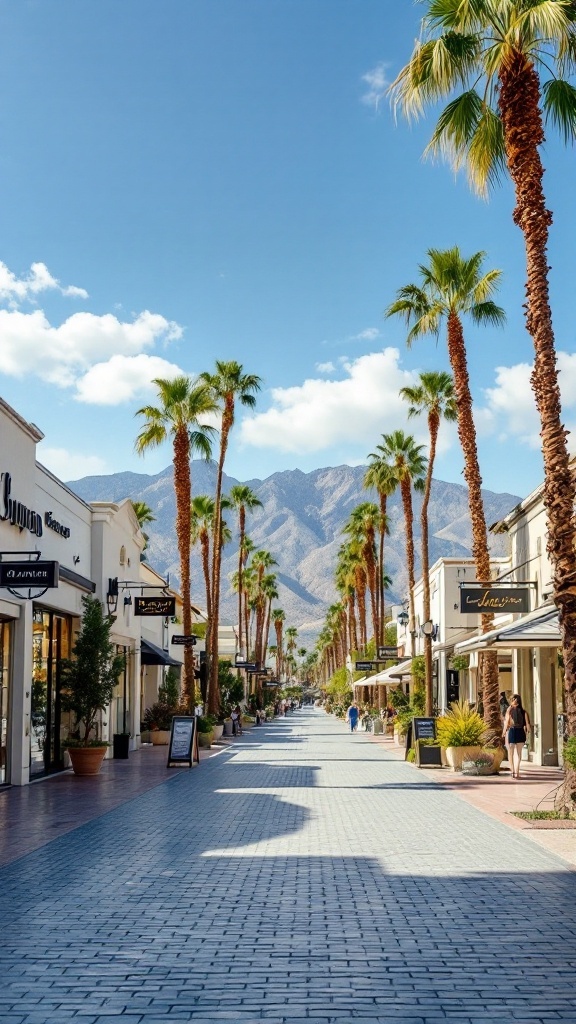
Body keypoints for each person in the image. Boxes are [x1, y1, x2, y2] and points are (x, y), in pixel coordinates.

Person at [502, 693, 531, 779]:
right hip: (520, 732)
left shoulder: (509, 710)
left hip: (512, 731)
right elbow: (528, 725)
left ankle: (513, 771)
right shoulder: (524, 712)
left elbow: (507, 721)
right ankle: (517, 772)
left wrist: (504, 732)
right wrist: (528, 732)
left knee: (510, 753)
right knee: (519, 754)